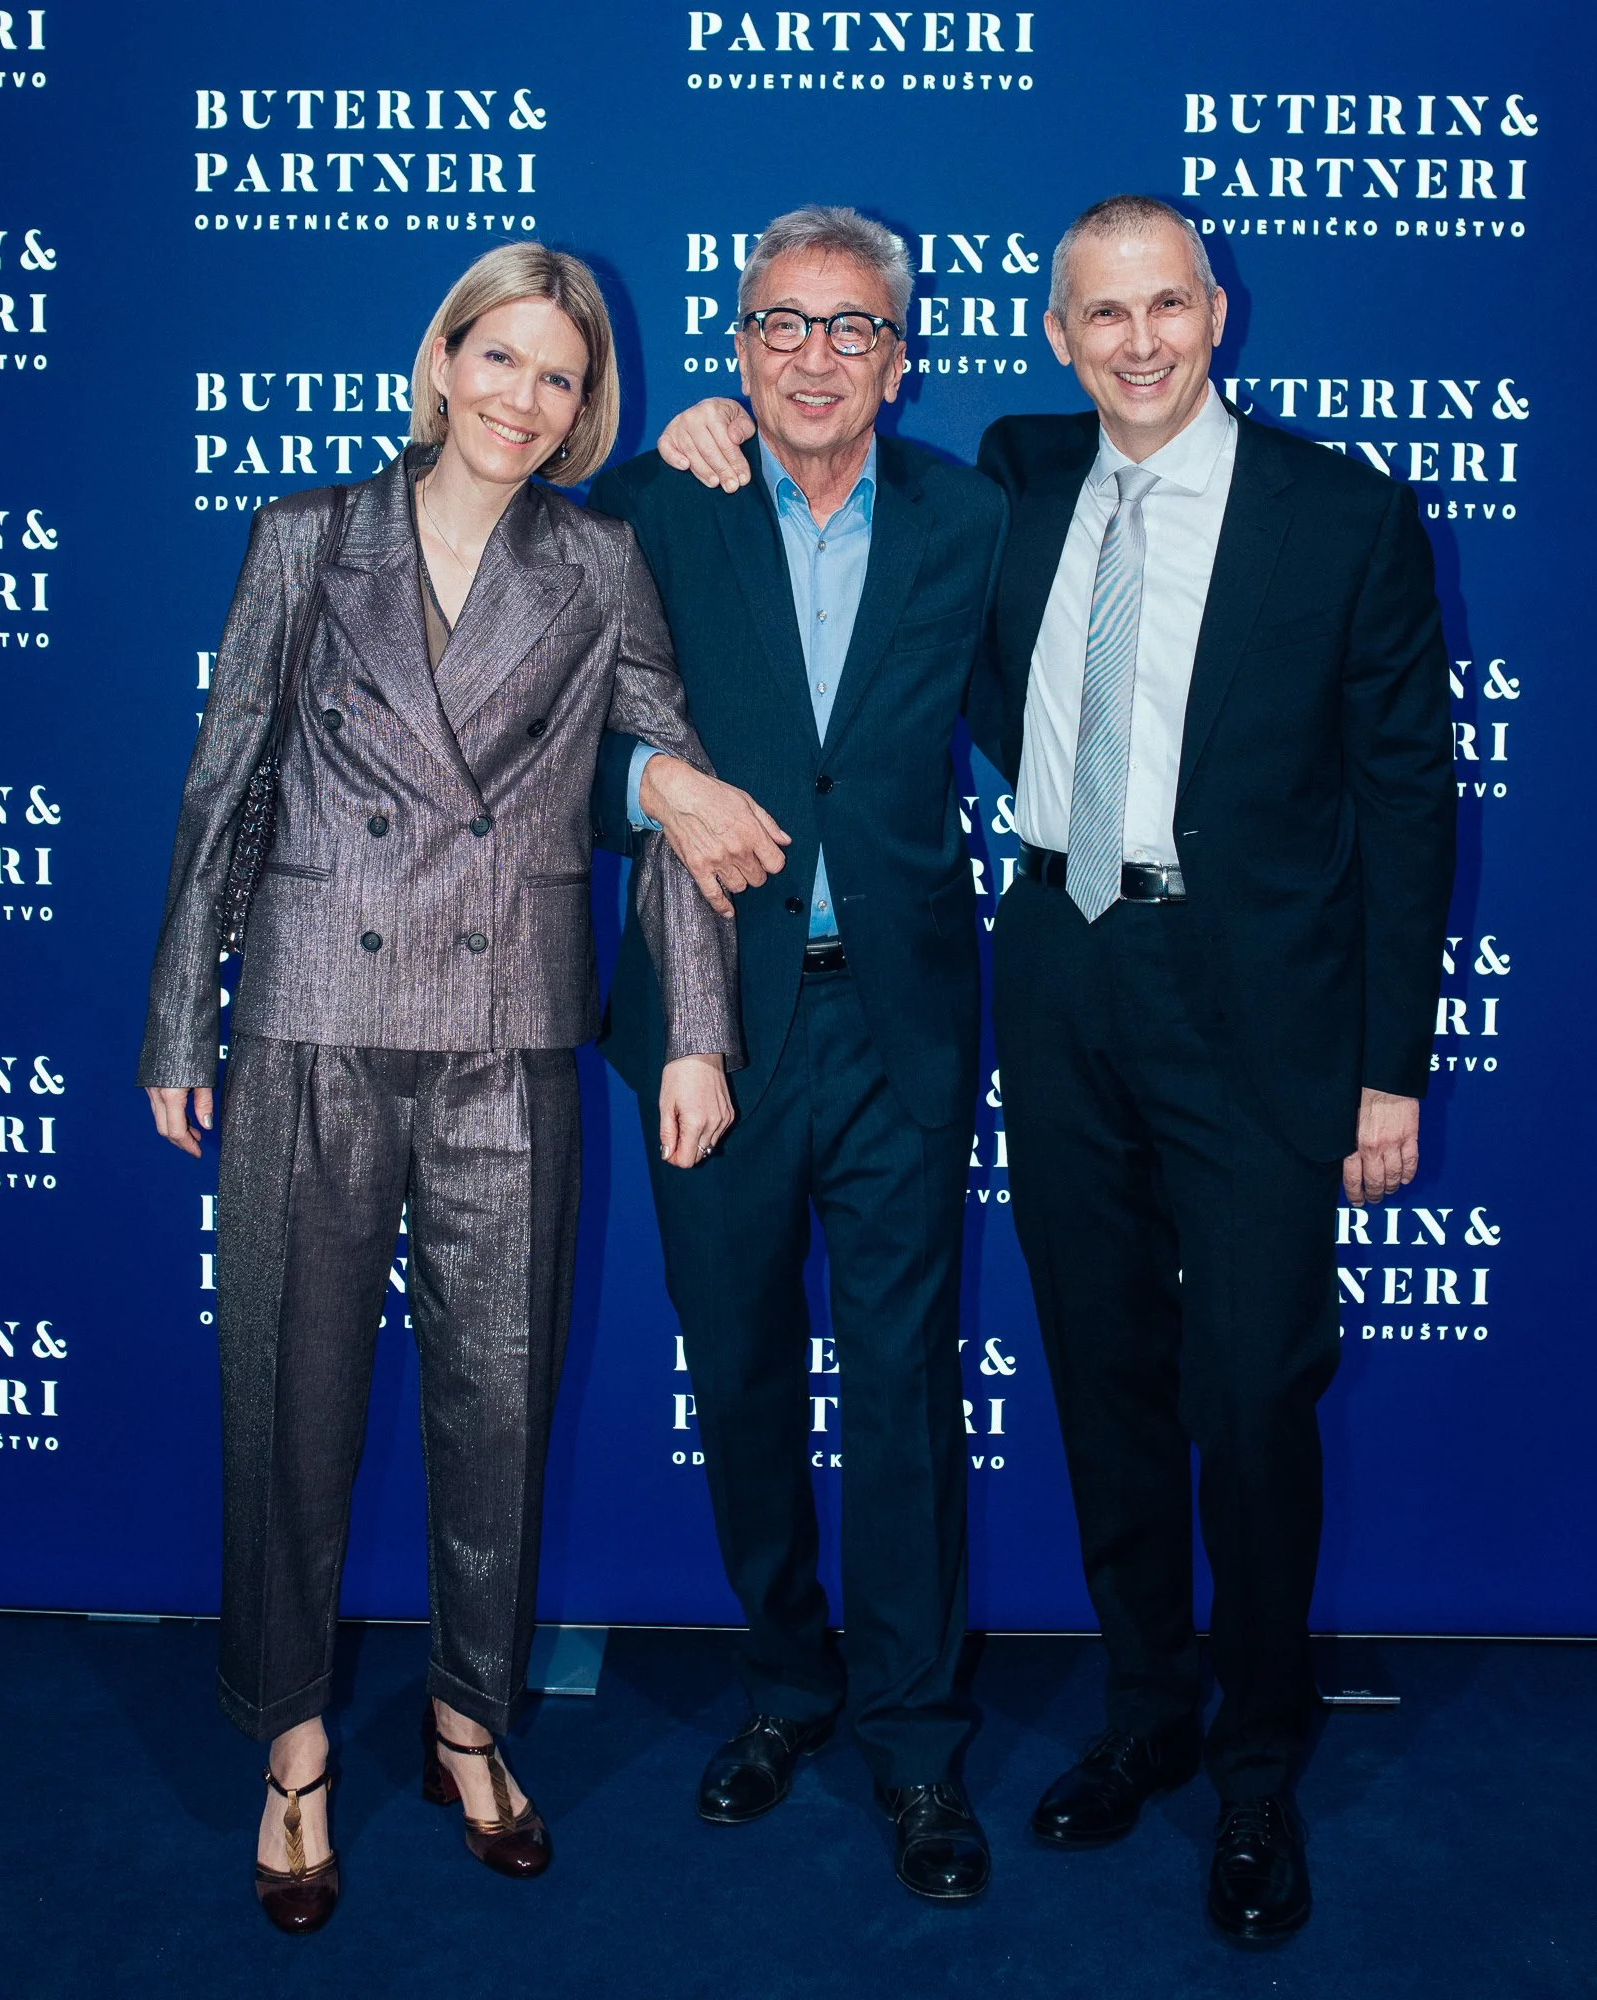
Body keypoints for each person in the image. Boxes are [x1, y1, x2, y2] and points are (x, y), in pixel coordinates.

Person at [660, 193, 1455, 1944]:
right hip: (1058, 968)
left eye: (1168, 304)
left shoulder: (1343, 513)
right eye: (1104, 314)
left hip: (1261, 1008)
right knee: (1102, 1370)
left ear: (1218, 309)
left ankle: (1258, 1761)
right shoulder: (1007, 479)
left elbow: (1409, 804)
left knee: (1248, 1391)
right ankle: (1148, 1713)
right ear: (1053, 338)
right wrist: (701, 422)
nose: (1142, 341)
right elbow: (810, 444)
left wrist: (1386, 1072)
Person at [138, 243, 740, 1934]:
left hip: (506, 1027)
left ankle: (472, 1722)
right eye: (501, 361)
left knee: (501, 1404)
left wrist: (692, 1027)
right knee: (289, 1403)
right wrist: (185, 1016)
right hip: (317, 1020)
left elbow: (676, 795)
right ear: (443, 359)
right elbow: (224, 789)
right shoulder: (305, 537)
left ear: (585, 404)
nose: (525, 401)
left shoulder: (603, 560)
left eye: (561, 378)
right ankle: (295, 1747)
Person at [588, 206, 1006, 1901]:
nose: (814, 357)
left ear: (898, 361)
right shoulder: (650, 506)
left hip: (899, 1021)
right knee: (743, 1372)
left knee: (903, 1395)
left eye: (850, 330)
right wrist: (651, 792)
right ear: (736, 347)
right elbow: (575, 726)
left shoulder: (974, 515)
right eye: (781, 326)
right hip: (712, 1030)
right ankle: (785, 1685)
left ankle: (916, 1743)